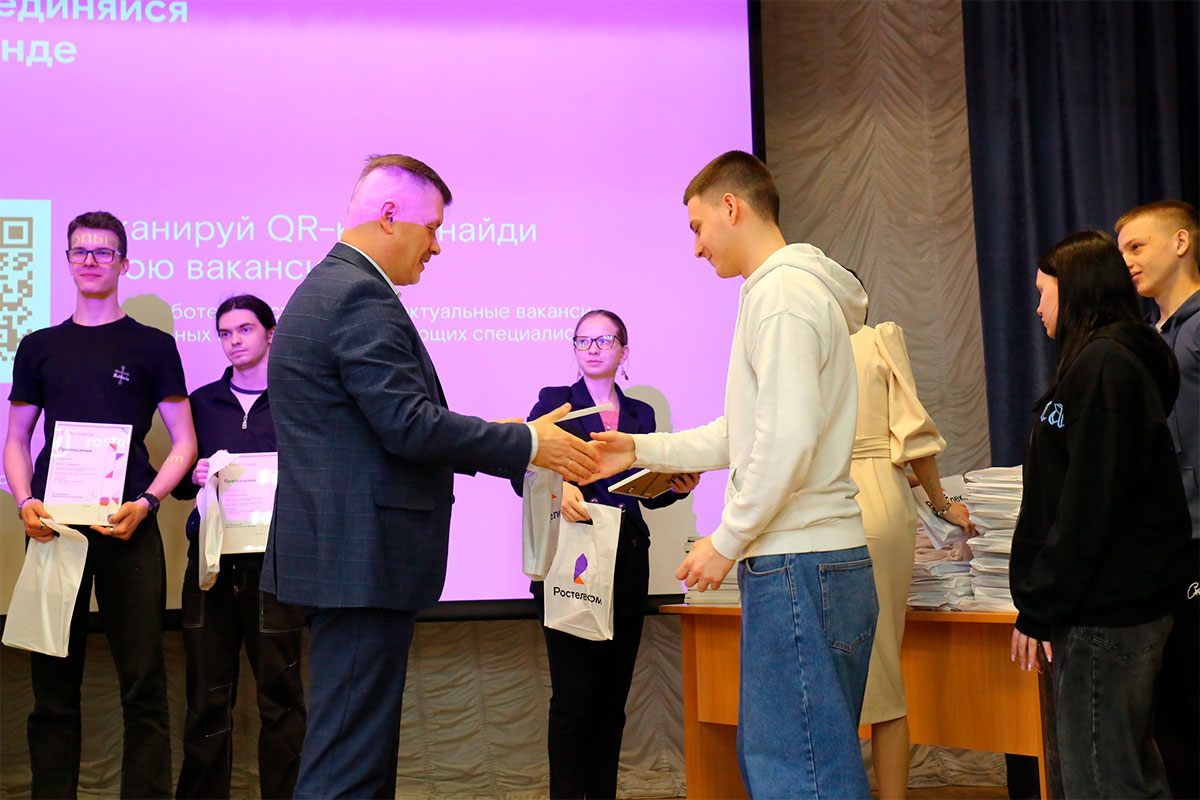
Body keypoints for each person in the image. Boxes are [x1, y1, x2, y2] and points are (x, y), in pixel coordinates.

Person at [259, 154, 599, 799]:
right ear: (390, 215)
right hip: (359, 563)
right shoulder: (357, 294)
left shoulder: (333, 286)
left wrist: (502, 432)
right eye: (433, 227)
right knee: (347, 769)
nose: (437, 246)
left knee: (354, 757)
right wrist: (529, 442)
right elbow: (407, 425)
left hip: (348, 560)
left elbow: (379, 424)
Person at [589, 151, 877, 798]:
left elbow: (787, 439)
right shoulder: (785, 291)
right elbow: (745, 430)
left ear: (731, 206)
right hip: (816, 562)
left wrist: (727, 539)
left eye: (697, 227)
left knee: (798, 773)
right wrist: (637, 449)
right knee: (809, 761)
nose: (697, 247)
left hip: (798, 562)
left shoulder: (781, 294)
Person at [3, 211, 197, 798]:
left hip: (126, 525)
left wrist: (149, 501)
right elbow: (16, 440)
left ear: (123, 263)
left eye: (103, 252)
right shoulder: (38, 346)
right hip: (54, 527)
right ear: (67, 261)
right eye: (80, 251)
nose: (90, 260)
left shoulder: (153, 345)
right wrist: (25, 501)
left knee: (143, 684)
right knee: (52, 688)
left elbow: (185, 442)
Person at [1010, 230, 1191, 798]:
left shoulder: (1106, 365)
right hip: (1110, 606)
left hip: (1106, 613)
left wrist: (1041, 605)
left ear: (1076, 290)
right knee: (1121, 773)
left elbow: (1088, 505)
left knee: (1103, 781)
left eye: (1044, 293)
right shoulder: (1105, 360)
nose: (1038, 308)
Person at [515, 309, 699, 799]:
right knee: (574, 696)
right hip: (569, 559)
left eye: (605, 340)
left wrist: (674, 487)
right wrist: (557, 489)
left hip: (627, 558)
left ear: (624, 350)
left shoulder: (642, 413)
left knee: (612, 699)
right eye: (583, 340)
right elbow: (523, 472)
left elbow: (645, 493)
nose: (593, 349)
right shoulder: (555, 402)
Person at [170, 295, 306, 799]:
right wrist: (195, 473)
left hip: (276, 564)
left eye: (245, 329)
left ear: (271, 333)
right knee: (206, 697)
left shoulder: (299, 398)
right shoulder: (201, 402)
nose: (234, 341)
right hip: (210, 564)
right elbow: (180, 484)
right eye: (225, 333)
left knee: (281, 697)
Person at [849, 314, 974, 799]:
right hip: (874, 494)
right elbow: (912, 433)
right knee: (881, 659)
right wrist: (940, 502)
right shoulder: (874, 341)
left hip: (822, 498)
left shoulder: (797, 338)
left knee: (833, 668)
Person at [1115, 200, 1199, 800]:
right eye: (1121, 251)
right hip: (1160, 549)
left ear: (1180, 243)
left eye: (1136, 247)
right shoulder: (1146, 337)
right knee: (1169, 711)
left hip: (1196, 542)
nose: (1127, 261)